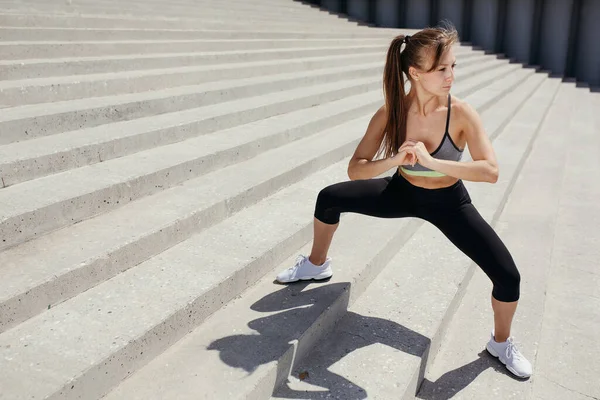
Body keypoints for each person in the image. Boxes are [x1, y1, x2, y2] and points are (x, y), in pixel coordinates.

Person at [275, 25, 532, 379]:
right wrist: (394, 161)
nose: (450, 76)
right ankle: (317, 264)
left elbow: (490, 171)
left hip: (448, 203)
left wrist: (432, 162)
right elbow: (356, 169)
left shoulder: (461, 113)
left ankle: (500, 343)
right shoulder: (391, 113)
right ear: (415, 72)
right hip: (401, 191)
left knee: (508, 276)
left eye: (453, 67)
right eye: (441, 69)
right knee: (329, 198)